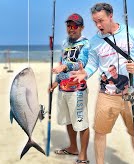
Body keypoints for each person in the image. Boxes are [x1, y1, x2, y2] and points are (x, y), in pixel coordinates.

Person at [70, 3, 134, 164]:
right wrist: (85, 73)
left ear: (110, 16)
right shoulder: (94, 41)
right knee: (100, 132)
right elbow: (93, 64)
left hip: (133, 93)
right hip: (106, 95)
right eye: (95, 22)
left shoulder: (131, 33)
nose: (98, 25)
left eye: (101, 20)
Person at [50, 13, 90, 164]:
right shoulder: (64, 43)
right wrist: (56, 82)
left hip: (78, 90)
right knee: (68, 121)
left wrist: (65, 66)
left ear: (81, 27)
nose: (71, 29)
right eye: (68, 26)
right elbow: (62, 63)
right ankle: (73, 147)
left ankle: (83, 156)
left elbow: (82, 64)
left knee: (81, 123)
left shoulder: (86, 43)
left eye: (74, 26)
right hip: (63, 89)